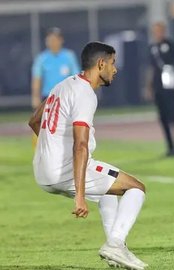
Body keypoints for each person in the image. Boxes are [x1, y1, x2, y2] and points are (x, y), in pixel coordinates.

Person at [29, 42, 148, 269]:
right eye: (112, 63)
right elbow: (81, 146)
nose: (115, 69)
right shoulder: (85, 93)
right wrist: (80, 196)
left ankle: (117, 251)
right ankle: (115, 244)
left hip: (41, 171)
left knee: (108, 190)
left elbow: (34, 120)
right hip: (62, 170)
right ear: (101, 63)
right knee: (136, 188)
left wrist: (51, 148)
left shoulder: (62, 86)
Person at [145, 22, 174, 157]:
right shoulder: (152, 47)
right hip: (158, 85)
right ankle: (170, 147)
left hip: (169, 82)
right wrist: (149, 86)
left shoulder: (171, 45)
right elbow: (151, 68)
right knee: (163, 116)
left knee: (173, 115)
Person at [31, 27, 80, 109]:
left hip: (66, 96)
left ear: (61, 40)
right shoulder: (42, 58)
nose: (53, 42)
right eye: (50, 39)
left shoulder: (69, 56)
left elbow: (76, 77)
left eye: (56, 39)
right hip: (48, 97)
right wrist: (35, 96)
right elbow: (37, 78)